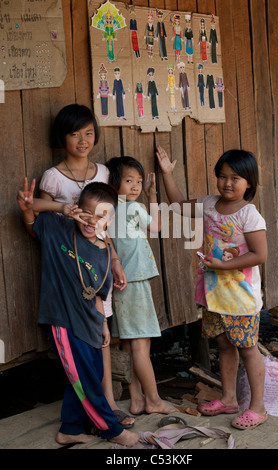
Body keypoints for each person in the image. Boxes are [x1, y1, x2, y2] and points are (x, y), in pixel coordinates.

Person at [16, 178, 139, 447]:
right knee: (85, 379)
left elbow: (97, 295)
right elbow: (31, 209)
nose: (93, 221)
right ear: (77, 208)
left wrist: (103, 325)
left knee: (90, 374)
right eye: (88, 213)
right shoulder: (58, 227)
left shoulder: (104, 252)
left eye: (102, 217)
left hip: (89, 323)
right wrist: (61, 208)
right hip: (63, 321)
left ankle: (70, 428)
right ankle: (111, 430)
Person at [156, 146, 268, 431]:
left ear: (249, 183)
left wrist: (222, 266)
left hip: (242, 297)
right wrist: (168, 174)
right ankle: (228, 399)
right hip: (215, 293)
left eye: (236, 178)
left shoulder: (249, 214)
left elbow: (259, 255)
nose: (227, 183)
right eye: (223, 176)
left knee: (248, 349)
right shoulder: (208, 204)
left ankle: (257, 408)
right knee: (224, 345)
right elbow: (179, 206)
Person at [39, 104, 134, 429]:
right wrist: (65, 209)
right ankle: (92, 413)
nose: (83, 140)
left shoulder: (104, 174)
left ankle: (107, 402)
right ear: (62, 137)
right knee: (80, 344)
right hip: (71, 271)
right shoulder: (53, 177)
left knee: (102, 332)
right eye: (75, 133)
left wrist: (116, 261)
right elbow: (38, 221)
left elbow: (108, 226)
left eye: (89, 133)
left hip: (100, 267)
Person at [105, 156, 177, 416]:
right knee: (140, 346)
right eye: (128, 180)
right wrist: (153, 195)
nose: (135, 186)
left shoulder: (107, 209)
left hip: (120, 281)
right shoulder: (132, 207)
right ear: (114, 183)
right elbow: (157, 226)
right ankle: (154, 400)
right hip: (134, 281)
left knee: (128, 343)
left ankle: (136, 400)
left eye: (138, 181)